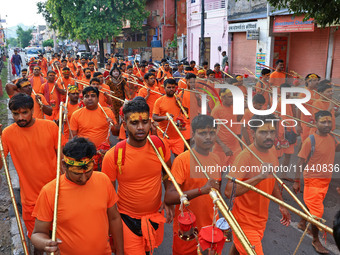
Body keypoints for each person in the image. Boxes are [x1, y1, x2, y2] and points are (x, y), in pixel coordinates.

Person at [102, 99, 173, 254]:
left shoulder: (159, 145)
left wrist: (168, 197)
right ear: (125, 125)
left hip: (154, 217)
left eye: (145, 122)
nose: (141, 127)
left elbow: (167, 173)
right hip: (126, 220)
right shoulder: (113, 155)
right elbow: (108, 196)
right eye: (134, 123)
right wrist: (111, 227)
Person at [31, 137, 124, 255]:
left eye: (88, 172)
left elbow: (114, 218)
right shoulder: (50, 192)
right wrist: (46, 243)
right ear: (64, 166)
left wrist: (120, 251)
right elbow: (37, 234)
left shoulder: (103, 180)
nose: (84, 179)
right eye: (77, 173)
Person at [225, 114, 291, 255]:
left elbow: (271, 179)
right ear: (253, 133)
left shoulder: (272, 150)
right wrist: (259, 176)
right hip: (244, 221)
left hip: (260, 219)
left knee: (238, 248)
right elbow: (229, 190)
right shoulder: (245, 157)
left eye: (272, 132)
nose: (269, 136)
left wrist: (281, 204)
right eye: (263, 132)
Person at [0, 93, 58, 253]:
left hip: (56, 195)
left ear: (33, 110)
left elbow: (62, 160)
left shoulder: (50, 127)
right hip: (31, 200)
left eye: (24, 112)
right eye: (15, 114)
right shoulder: (7, 133)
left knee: (59, 240)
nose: (20, 117)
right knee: (38, 242)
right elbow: (0, 165)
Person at [164, 115, 221, 255]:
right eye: (202, 133)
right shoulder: (182, 160)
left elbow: (216, 190)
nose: (208, 137)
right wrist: (201, 190)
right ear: (193, 135)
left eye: (212, 133)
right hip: (187, 229)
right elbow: (169, 197)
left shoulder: (216, 159)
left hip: (211, 227)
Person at [294, 110, 340, 254]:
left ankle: (302, 222)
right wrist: (296, 181)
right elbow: (300, 163)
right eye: (323, 122)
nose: (327, 125)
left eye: (329, 122)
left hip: (325, 180)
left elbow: (335, 149)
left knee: (313, 204)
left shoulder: (332, 138)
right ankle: (316, 240)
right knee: (317, 212)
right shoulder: (310, 141)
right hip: (312, 180)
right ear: (315, 123)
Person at [153, 78, 185, 157]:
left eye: (173, 87)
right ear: (164, 88)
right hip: (164, 136)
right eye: (169, 87)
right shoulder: (159, 101)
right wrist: (165, 117)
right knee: (165, 161)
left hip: (178, 136)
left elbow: (186, 112)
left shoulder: (178, 99)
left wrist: (180, 105)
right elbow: (154, 117)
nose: (171, 89)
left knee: (179, 159)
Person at [211, 88, 242, 165]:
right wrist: (223, 146)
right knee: (218, 173)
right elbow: (211, 131)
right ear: (223, 97)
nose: (233, 99)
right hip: (221, 148)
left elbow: (236, 119)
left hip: (235, 145)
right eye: (230, 97)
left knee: (238, 169)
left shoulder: (233, 106)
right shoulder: (216, 110)